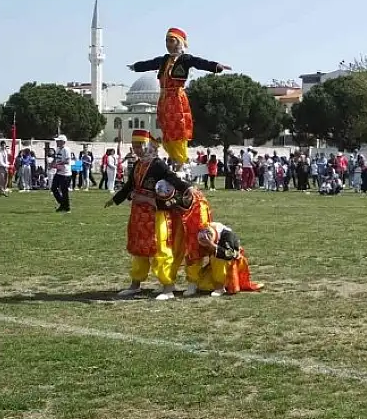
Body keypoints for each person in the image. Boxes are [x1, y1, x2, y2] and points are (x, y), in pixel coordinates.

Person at [105, 129, 191, 301]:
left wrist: (186, 188)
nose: (137, 149)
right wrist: (115, 200)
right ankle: (135, 284)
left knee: (160, 247)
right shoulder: (138, 164)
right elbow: (129, 186)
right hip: (138, 213)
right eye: (134, 145)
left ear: (148, 145)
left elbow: (171, 178)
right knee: (139, 249)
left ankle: (167, 287)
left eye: (140, 145)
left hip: (155, 212)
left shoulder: (157, 164)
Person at [127, 27, 231, 165]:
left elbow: (200, 63)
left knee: (178, 130)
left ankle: (182, 161)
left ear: (180, 42)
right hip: (164, 101)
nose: (168, 44)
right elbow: (150, 63)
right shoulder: (164, 60)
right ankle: (176, 160)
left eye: (171, 41)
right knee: (167, 132)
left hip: (176, 99)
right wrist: (136, 67)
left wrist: (216, 66)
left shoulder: (185, 59)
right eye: (166, 41)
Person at [194, 221, 264, 296]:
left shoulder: (227, 235)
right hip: (216, 266)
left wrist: (212, 245)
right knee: (203, 285)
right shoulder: (206, 230)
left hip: (233, 264)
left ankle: (220, 287)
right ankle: (224, 283)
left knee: (217, 258)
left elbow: (230, 254)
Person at [51, 135, 72, 212]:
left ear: (63, 142)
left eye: (58, 141)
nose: (57, 142)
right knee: (53, 188)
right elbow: (56, 158)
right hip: (59, 172)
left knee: (64, 191)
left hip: (65, 174)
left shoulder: (66, 150)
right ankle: (63, 204)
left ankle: (66, 207)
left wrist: (58, 164)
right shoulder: (58, 149)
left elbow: (67, 161)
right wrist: (52, 164)